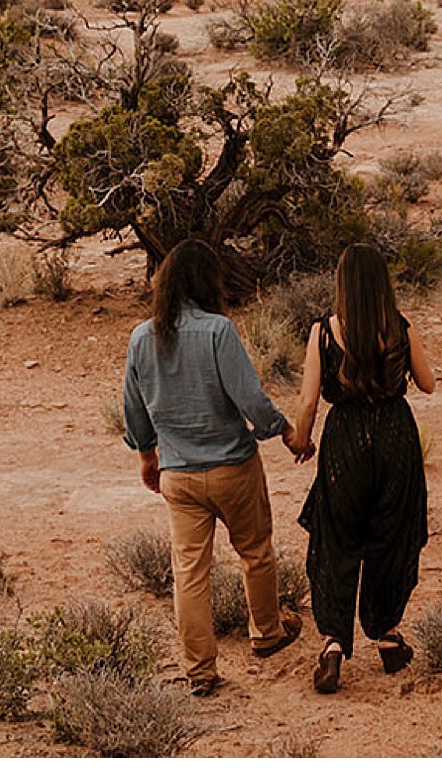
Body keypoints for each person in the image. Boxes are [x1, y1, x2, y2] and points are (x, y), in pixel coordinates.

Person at [122, 238, 311, 695]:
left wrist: (148, 456)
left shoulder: (142, 337)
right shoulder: (218, 331)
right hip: (233, 468)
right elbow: (248, 396)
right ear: (207, 281)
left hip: (179, 475)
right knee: (255, 552)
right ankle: (267, 634)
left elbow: (133, 406)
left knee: (189, 572)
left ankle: (200, 670)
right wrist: (283, 431)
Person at [291, 242, 435, 694]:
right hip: (395, 434)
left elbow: (309, 399)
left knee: (338, 538)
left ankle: (335, 643)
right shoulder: (400, 327)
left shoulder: (324, 333)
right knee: (391, 537)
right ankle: (387, 636)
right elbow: (428, 384)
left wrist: (301, 440)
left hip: (345, 439)